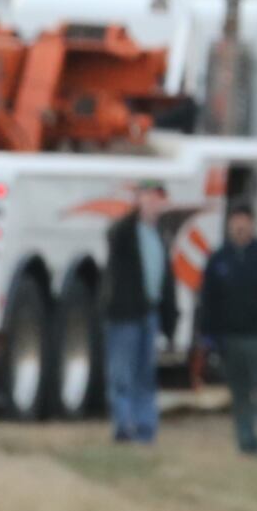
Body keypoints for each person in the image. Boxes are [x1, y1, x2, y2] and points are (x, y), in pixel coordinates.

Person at [194, 203, 257, 462]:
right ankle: (246, 441)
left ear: (251, 223)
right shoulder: (219, 260)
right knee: (240, 394)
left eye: (244, 220)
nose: (240, 225)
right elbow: (208, 299)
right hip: (230, 339)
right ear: (229, 225)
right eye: (235, 220)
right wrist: (208, 333)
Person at [101, 185, 176, 444]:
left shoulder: (160, 235)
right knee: (123, 373)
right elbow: (112, 236)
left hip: (149, 313)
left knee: (146, 375)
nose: (152, 203)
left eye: (156, 199)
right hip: (125, 314)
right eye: (147, 198)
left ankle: (145, 429)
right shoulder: (126, 233)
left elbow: (166, 280)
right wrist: (135, 213)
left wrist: (170, 320)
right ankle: (123, 425)